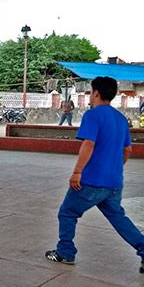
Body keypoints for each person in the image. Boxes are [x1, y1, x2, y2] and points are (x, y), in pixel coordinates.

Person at [45, 77, 144, 273]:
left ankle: (65, 252)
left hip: (90, 181)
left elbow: (88, 144)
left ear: (97, 93)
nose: (90, 96)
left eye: (91, 92)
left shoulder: (93, 115)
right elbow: (127, 151)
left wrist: (77, 172)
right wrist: (113, 168)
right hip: (114, 182)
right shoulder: (121, 118)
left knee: (67, 212)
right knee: (118, 218)